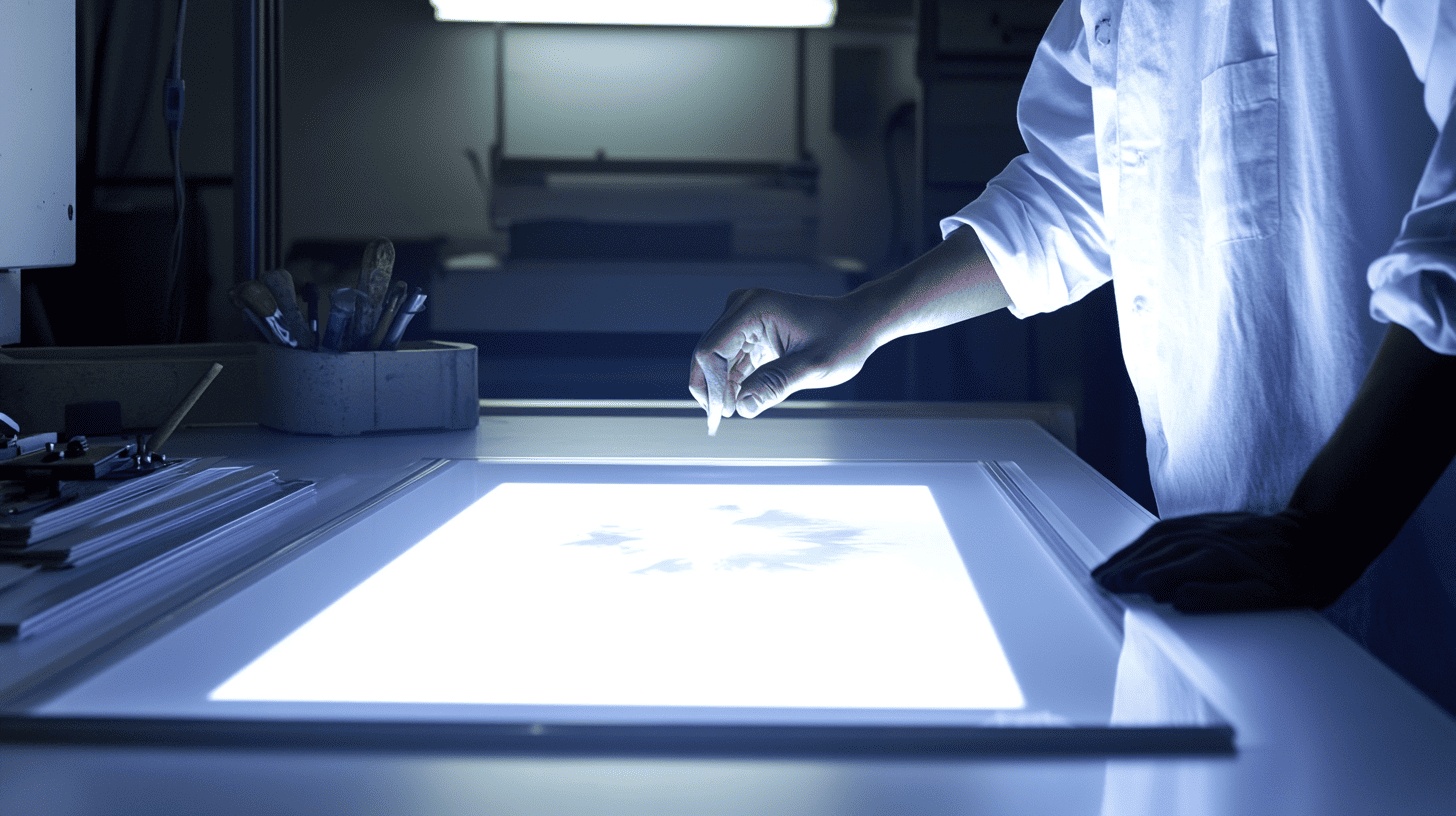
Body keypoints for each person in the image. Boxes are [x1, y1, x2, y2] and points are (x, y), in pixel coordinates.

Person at [689, 0, 1456, 711]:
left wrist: (1325, 528)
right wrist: (864, 317)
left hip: (1403, 587)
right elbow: (1076, 189)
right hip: (1219, 582)